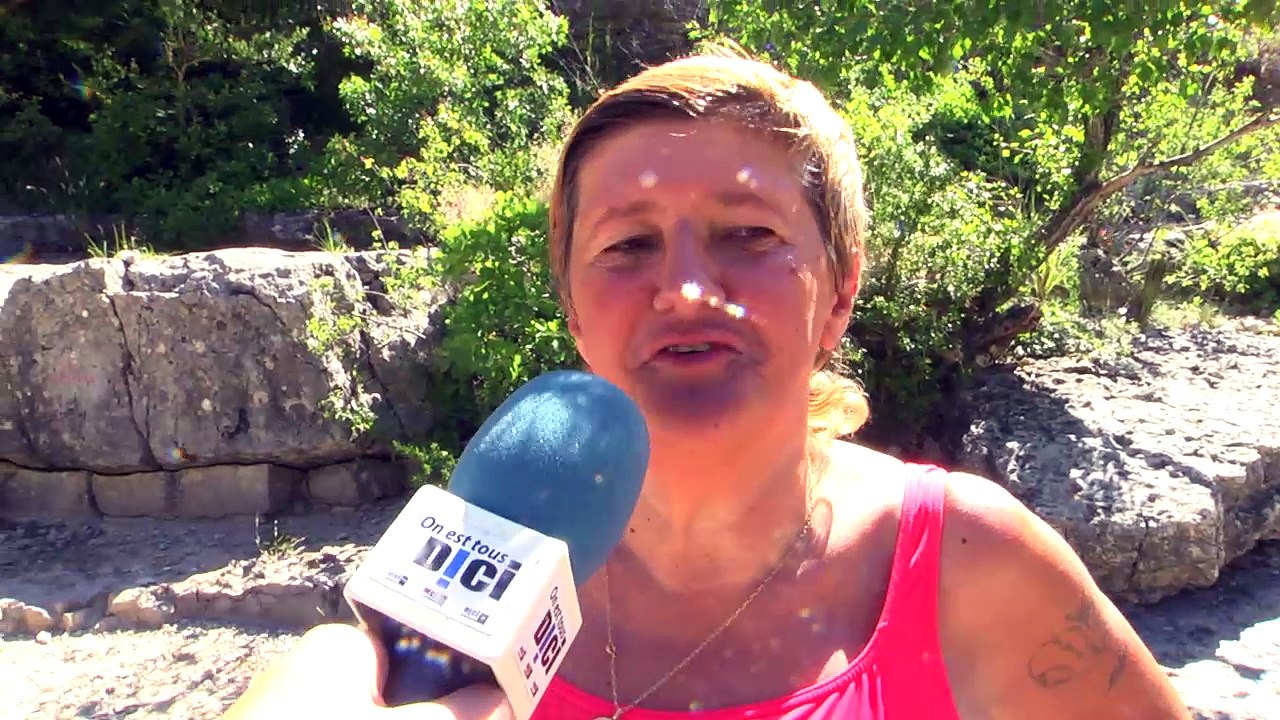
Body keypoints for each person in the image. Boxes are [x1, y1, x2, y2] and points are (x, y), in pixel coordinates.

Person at [222, 43, 1191, 720]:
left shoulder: (972, 563)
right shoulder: (461, 587)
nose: (685, 289)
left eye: (748, 235)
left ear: (839, 292)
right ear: (572, 306)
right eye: (628, 245)